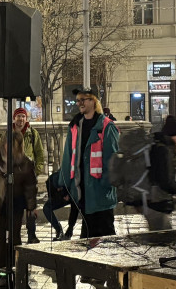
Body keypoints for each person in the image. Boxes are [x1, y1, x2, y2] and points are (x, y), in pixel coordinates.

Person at [56, 87, 120, 238]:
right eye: (77, 100)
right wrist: (64, 185)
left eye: (83, 100)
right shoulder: (75, 126)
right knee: (87, 239)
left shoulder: (107, 126)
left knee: (106, 239)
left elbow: (112, 161)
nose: (79, 103)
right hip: (82, 194)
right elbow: (68, 158)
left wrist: (106, 185)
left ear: (93, 101)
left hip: (101, 195)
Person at [0, 140, 37, 280]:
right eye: (8, 144)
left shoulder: (25, 162)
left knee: (14, 238)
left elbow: (30, 186)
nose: (10, 148)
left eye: (14, 145)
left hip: (15, 204)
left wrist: (31, 207)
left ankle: (14, 271)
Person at [143, 115, 176, 231]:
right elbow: (165, 182)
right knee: (163, 236)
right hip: (156, 203)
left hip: (153, 201)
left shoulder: (162, 147)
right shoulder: (164, 150)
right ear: (173, 135)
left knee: (162, 234)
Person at [12, 107, 45, 244]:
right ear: (14, 118)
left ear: (26, 119)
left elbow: (40, 154)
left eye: (23, 116)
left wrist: (36, 171)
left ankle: (32, 235)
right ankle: (16, 236)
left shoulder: (33, 133)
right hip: (15, 178)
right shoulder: (9, 133)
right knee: (16, 207)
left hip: (29, 178)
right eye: (18, 116)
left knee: (31, 207)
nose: (21, 119)